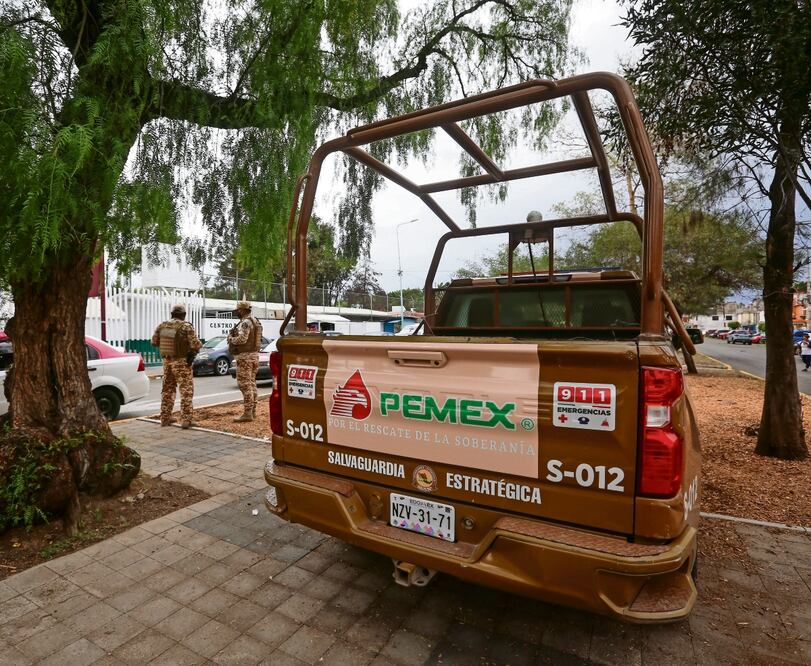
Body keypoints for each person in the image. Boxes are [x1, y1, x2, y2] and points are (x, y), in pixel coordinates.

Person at [151, 304, 202, 428]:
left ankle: (165, 418)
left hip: (167, 362)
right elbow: (196, 345)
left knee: (167, 390)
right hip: (181, 363)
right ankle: (186, 420)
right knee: (186, 391)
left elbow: (154, 342)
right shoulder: (186, 326)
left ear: (172, 314)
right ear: (183, 315)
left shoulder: (162, 326)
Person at [227, 300, 263, 422]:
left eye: (238, 310)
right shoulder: (255, 320)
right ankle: (252, 411)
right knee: (252, 383)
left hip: (245, 357)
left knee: (244, 385)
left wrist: (231, 339)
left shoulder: (246, 323)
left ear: (242, 310)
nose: (237, 312)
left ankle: (247, 413)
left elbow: (242, 339)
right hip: (254, 356)